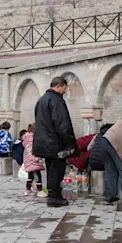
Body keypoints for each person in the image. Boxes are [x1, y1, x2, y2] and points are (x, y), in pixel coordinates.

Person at [33, 77, 78, 207]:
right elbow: (62, 124)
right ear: (58, 86)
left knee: (51, 170)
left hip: (45, 143)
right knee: (57, 171)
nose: (65, 91)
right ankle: (54, 198)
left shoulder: (41, 100)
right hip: (55, 144)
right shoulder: (56, 101)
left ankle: (54, 195)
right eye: (65, 88)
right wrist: (70, 144)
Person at [22, 125, 46, 198]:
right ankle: (39, 190)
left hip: (28, 160)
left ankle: (27, 189)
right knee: (37, 175)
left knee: (30, 175)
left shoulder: (26, 138)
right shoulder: (34, 138)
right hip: (34, 160)